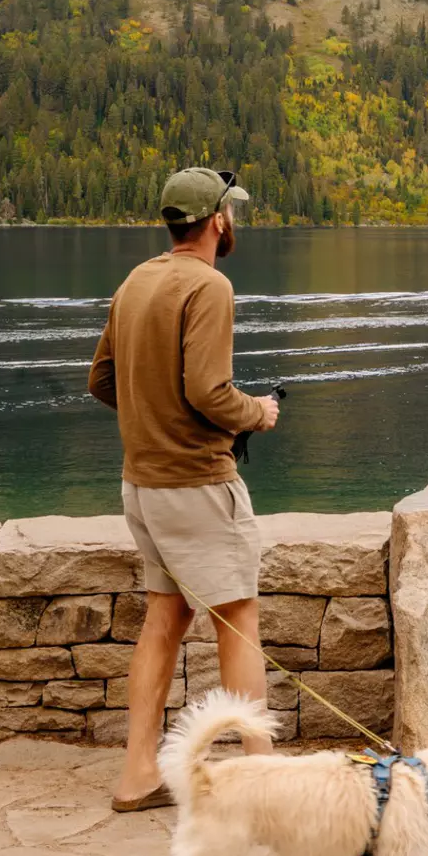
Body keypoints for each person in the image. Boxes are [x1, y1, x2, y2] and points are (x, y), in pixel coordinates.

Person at [88, 167, 281, 811]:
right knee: (239, 619)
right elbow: (208, 391)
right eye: (234, 215)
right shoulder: (210, 285)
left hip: (140, 484)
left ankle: (137, 773)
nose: (236, 224)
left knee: (165, 619)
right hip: (197, 483)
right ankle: (262, 784)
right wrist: (257, 412)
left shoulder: (134, 281)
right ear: (218, 220)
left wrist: (150, 420)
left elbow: (102, 381)